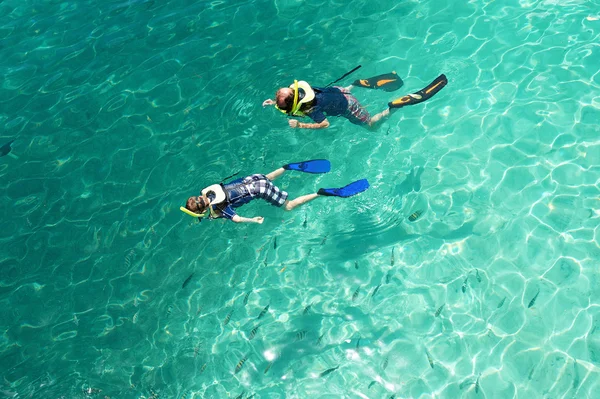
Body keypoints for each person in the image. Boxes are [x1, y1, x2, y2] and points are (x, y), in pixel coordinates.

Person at [180, 160, 369, 224]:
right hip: (252, 179)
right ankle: (287, 167)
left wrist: (253, 220)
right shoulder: (209, 192)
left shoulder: (220, 209)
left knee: (289, 206)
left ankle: (320, 193)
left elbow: (236, 219)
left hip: (259, 189)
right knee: (267, 178)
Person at [262, 72, 447, 130]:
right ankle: (356, 84)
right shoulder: (305, 90)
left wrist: (300, 125)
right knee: (341, 91)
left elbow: (324, 124)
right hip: (340, 91)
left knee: (371, 126)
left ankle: (393, 107)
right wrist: (274, 102)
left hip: (348, 106)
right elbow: (288, 101)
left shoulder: (311, 109)